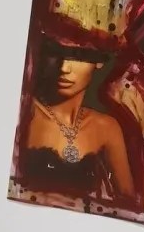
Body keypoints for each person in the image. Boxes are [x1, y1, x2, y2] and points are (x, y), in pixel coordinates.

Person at [21, 38, 134, 200]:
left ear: (99, 61)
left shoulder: (106, 127)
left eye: (79, 55)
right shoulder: (26, 114)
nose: (64, 68)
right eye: (56, 52)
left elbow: (128, 203)